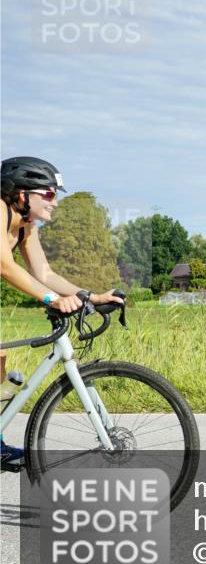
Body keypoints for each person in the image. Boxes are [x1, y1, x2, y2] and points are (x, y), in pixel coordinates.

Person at [0, 156, 123, 468]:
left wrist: (87, 295)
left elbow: (44, 271)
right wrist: (51, 300)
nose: (55, 202)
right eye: (50, 194)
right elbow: (5, 265)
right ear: (21, 193)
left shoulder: (27, 226)